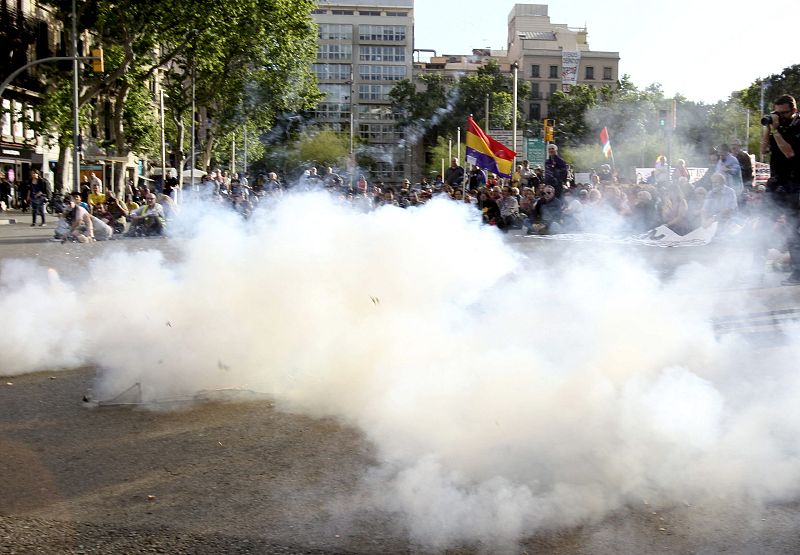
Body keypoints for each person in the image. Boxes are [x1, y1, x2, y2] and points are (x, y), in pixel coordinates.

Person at [761, 94, 800, 285]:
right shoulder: (775, 126)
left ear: (794, 110)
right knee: (763, 221)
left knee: (796, 229)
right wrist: (768, 129)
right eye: (778, 113)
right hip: (778, 182)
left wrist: (776, 132)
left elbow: (790, 153)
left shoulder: (798, 126)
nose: (781, 116)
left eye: (784, 113)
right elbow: (763, 149)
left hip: (796, 184)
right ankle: (760, 263)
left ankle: (797, 272)